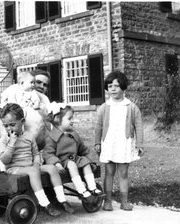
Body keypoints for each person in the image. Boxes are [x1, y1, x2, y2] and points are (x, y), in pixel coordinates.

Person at [0, 103, 75, 215]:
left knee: (52, 168)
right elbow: (4, 160)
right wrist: (11, 144)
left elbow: (36, 153)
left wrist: (36, 163)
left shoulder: (29, 136)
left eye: (12, 124)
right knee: (33, 171)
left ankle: (62, 200)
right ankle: (45, 204)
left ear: (22, 122)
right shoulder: (4, 140)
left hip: (30, 167)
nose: (9, 128)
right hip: (14, 169)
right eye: (6, 126)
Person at [94, 71, 144, 211]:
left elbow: (139, 126)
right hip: (109, 143)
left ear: (123, 87)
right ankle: (108, 201)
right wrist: (97, 142)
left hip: (124, 143)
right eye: (110, 86)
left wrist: (139, 144)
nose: (113, 89)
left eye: (117, 86)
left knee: (123, 173)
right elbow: (98, 126)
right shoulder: (104, 107)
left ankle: (124, 201)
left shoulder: (131, 107)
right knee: (109, 172)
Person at [43, 103, 103, 203]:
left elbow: (83, 149)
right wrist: (56, 163)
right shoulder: (52, 137)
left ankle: (92, 187)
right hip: (63, 162)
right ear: (58, 119)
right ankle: (81, 190)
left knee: (85, 162)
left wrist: (90, 160)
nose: (72, 121)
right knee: (71, 164)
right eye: (69, 119)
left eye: (72, 118)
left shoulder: (73, 134)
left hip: (74, 159)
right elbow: (48, 154)